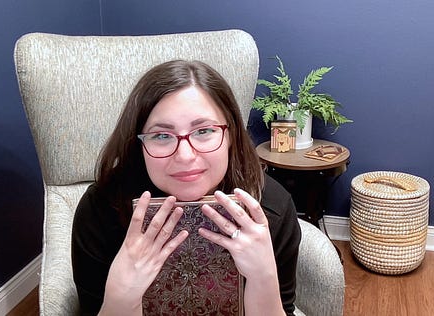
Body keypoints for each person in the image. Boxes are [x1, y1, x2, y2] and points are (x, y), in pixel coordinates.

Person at [71, 60, 301, 315]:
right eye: (161, 135)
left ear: (231, 135)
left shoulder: (270, 208)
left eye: (204, 131)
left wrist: (263, 278)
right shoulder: (100, 209)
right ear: (139, 145)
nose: (185, 155)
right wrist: (120, 299)